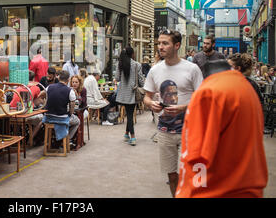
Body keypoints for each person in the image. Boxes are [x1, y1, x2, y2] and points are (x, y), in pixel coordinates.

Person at [176, 60, 268, 198]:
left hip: (215, 191)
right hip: (248, 188)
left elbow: (197, 157)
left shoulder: (208, 93)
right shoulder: (245, 88)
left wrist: (185, 193)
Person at [143, 29, 203, 197]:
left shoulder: (192, 69)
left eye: (165, 43)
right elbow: (146, 97)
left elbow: (203, 99)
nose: (160, 47)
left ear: (177, 45)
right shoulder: (155, 70)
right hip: (165, 130)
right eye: (159, 43)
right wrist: (151, 104)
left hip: (190, 130)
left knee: (192, 172)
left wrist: (183, 108)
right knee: (171, 173)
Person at [39, 70, 80, 145]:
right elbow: (72, 107)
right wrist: (70, 114)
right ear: (68, 80)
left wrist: (45, 103)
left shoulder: (49, 87)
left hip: (48, 118)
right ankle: (67, 140)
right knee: (77, 121)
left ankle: (54, 140)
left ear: (59, 78)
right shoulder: (70, 91)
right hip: (61, 119)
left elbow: (40, 95)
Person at [115, 47, 145, 146]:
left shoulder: (120, 65)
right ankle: (133, 137)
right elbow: (141, 80)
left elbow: (117, 78)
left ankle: (126, 134)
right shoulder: (137, 65)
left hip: (123, 93)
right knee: (130, 115)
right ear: (132, 54)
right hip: (133, 93)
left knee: (129, 113)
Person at [9, 71, 44, 143]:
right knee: (41, 120)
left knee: (17, 122)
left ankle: (15, 141)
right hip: (24, 114)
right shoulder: (36, 87)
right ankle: (30, 140)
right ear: (33, 79)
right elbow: (38, 100)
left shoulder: (18, 87)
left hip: (12, 113)